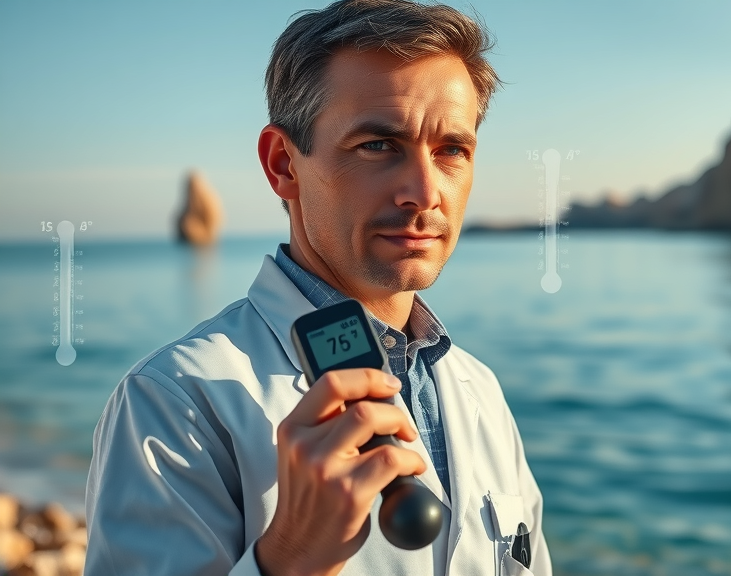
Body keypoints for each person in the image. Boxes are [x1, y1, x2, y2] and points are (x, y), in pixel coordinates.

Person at [83, 1, 551, 574]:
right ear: (284, 164)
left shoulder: (480, 391)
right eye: (378, 145)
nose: (425, 192)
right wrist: (290, 558)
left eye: (451, 150)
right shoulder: (173, 402)